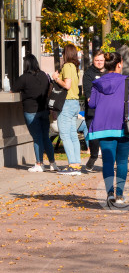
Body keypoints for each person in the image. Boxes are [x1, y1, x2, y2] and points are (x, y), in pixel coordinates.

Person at [87, 52, 129, 207]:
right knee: (122, 161)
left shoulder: (97, 83)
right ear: (120, 63)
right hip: (124, 125)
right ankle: (119, 195)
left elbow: (92, 104)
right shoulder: (127, 81)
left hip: (103, 127)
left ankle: (109, 194)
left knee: (107, 161)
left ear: (106, 65)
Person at [12, 54, 55, 172]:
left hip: (30, 111)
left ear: (26, 64)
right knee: (45, 136)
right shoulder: (44, 75)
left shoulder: (24, 78)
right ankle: (52, 163)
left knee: (37, 137)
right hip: (44, 110)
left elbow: (13, 88)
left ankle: (39, 164)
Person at [52, 43, 82, 175]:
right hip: (75, 103)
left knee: (65, 134)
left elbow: (67, 85)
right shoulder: (76, 68)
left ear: (66, 54)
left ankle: (72, 164)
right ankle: (76, 164)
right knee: (73, 135)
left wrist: (56, 78)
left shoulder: (67, 66)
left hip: (67, 103)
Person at [81, 50, 106, 173]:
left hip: (107, 111)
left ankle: (107, 162)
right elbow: (88, 94)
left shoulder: (108, 72)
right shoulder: (88, 74)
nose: (100, 62)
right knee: (94, 136)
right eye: (97, 60)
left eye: (101, 60)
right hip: (93, 111)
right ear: (93, 61)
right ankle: (93, 157)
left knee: (107, 137)